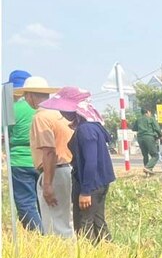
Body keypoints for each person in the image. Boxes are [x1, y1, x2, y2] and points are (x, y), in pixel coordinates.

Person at [39, 87, 115, 243]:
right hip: (99, 182)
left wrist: (86, 191)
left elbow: (91, 162)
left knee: (84, 224)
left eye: (63, 109)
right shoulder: (93, 126)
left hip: (91, 184)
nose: (62, 113)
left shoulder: (85, 130)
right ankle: (110, 256)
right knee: (97, 222)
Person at [27, 77, 75, 238]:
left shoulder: (40, 117)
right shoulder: (59, 115)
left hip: (53, 172)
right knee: (66, 220)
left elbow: (48, 151)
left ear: (30, 96)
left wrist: (47, 183)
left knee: (54, 225)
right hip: (67, 169)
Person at [7, 70, 45, 232]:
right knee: (43, 201)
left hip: (19, 162)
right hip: (43, 159)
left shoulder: (13, 110)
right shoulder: (44, 109)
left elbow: (7, 135)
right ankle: (50, 234)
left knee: (25, 203)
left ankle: (39, 236)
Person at [133, 107, 162, 175]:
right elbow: (157, 129)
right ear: (148, 112)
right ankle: (148, 167)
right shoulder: (151, 118)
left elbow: (134, 128)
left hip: (140, 138)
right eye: (150, 112)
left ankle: (148, 172)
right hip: (149, 137)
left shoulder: (138, 119)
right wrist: (160, 136)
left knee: (145, 155)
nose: (150, 114)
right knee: (155, 155)